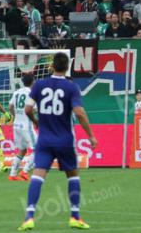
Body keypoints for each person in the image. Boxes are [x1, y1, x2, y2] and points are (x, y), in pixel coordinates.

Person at [18, 51, 96, 231]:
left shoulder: (39, 84)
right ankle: (75, 216)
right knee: (73, 176)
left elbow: (28, 109)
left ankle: (29, 217)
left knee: (37, 175)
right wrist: (91, 135)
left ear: (52, 66)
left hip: (44, 140)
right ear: (67, 67)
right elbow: (79, 113)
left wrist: (36, 122)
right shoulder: (71, 87)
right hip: (64, 140)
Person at [8, 73, 37, 181]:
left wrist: (16, 115)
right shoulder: (32, 93)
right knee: (38, 149)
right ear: (33, 81)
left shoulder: (17, 92)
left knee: (22, 150)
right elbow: (33, 109)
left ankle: (12, 174)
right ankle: (25, 171)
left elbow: (10, 107)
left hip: (16, 125)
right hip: (26, 126)